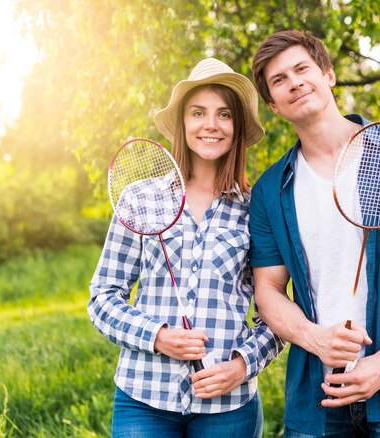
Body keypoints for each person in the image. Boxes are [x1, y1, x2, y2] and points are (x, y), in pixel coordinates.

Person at [249, 30, 380, 437]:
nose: (294, 82)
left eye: (301, 69)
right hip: (319, 393)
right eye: (279, 81)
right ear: (274, 106)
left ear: (328, 74)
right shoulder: (270, 191)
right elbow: (268, 291)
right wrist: (316, 339)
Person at [88, 58, 284, 438]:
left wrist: (241, 366)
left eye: (224, 114)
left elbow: (275, 313)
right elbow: (102, 298)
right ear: (182, 123)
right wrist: (157, 336)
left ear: (237, 129)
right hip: (143, 399)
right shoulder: (141, 199)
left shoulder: (257, 210)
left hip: (229, 407)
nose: (210, 124)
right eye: (198, 113)